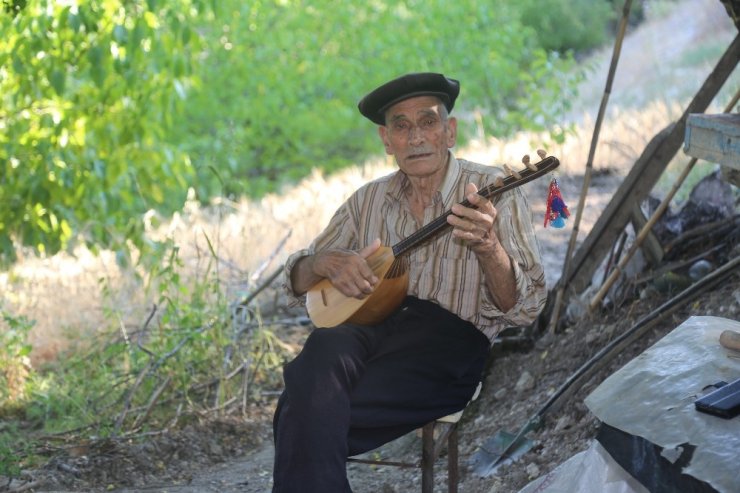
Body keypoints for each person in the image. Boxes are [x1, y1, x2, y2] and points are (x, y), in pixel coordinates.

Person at [272, 72, 547, 492]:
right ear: (387, 140)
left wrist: (490, 247)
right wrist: (322, 262)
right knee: (324, 345)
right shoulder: (367, 200)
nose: (415, 136)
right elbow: (292, 283)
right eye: (401, 125)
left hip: (450, 345)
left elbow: (525, 309)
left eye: (428, 121)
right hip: (372, 329)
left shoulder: (494, 191)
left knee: (299, 409)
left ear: (449, 131)